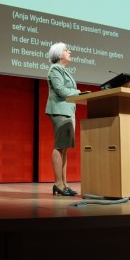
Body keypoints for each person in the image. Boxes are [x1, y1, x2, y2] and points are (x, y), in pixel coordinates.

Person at [45, 42, 81, 196]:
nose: (70, 51)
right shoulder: (55, 69)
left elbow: (66, 90)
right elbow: (60, 90)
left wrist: (75, 92)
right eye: (66, 50)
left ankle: (64, 184)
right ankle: (58, 183)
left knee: (64, 148)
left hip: (67, 111)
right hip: (60, 111)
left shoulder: (64, 70)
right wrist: (79, 92)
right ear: (58, 54)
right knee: (59, 146)